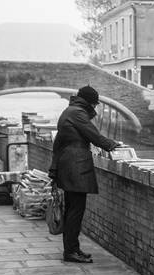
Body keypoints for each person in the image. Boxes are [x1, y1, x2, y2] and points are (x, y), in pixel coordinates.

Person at [49, 86, 120, 263]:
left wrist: (54, 169)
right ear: (89, 101)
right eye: (95, 103)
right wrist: (114, 146)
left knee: (72, 209)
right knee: (75, 211)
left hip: (69, 166)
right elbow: (94, 136)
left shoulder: (70, 111)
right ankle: (71, 252)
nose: (95, 107)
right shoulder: (78, 113)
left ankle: (73, 249)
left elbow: (58, 144)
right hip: (75, 167)